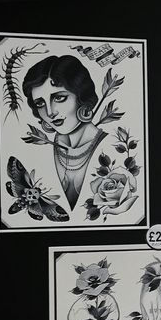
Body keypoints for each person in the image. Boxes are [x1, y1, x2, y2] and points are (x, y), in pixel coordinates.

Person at [23, 54, 106, 209]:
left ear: (81, 95)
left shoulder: (113, 146)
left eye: (59, 98)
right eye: (40, 103)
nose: (49, 112)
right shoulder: (39, 152)